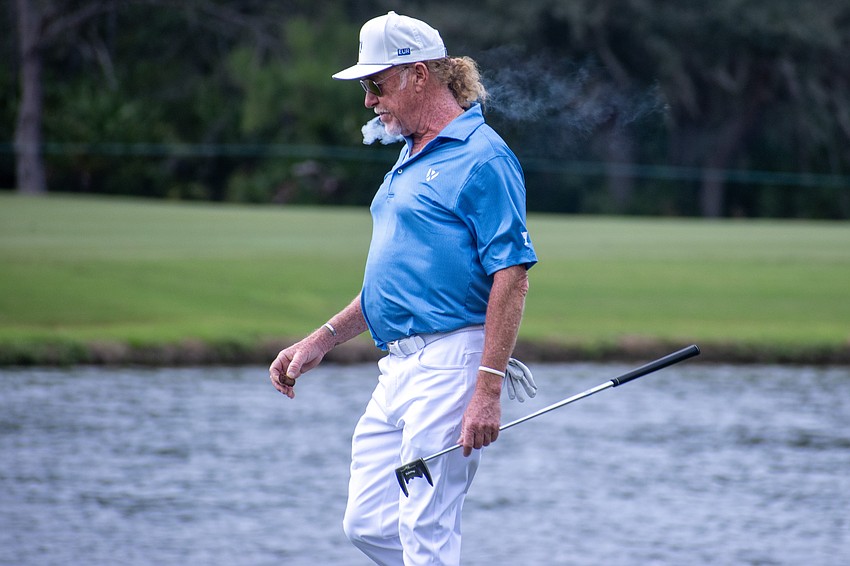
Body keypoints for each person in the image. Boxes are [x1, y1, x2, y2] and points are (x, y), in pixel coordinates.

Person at [269, 11, 538, 566]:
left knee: (424, 525)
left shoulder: (484, 157)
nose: (369, 101)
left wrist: (487, 389)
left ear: (418, 75)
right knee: (367, 523)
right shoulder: (408, 155)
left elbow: (512, 276)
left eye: (376, 84)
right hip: (397, 366)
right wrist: (323, 338)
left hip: (452, 362)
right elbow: (395, 284)